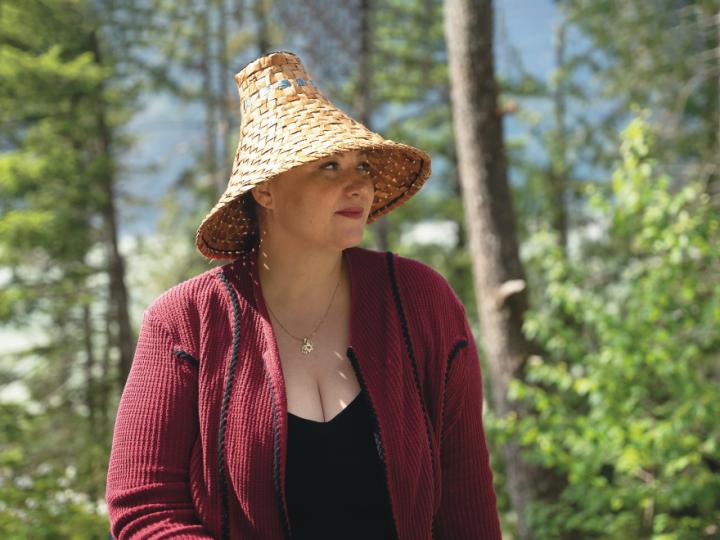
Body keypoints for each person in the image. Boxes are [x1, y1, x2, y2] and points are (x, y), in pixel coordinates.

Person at [106, 50, 502, 540]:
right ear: (265, 191)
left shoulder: (423, 301)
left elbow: (466, 504)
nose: (359, 184)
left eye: (362, 166)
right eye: (330, 166)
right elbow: (145, 507)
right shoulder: (186, 321)